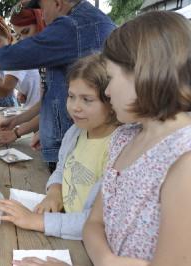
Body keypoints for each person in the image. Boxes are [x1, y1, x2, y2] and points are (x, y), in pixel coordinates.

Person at [80, 11, 191, 266]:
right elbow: (94, 223)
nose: (106, 92)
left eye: (110, 78)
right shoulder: (123, 138)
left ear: (144, 73)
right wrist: (108, 260)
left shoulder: (184, 159)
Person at [0, 0, 115, 172]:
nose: (42, 14)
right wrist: (20, 123)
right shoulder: (86, 24)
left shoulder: (74, 25)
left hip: (74, 146)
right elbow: (51, 99)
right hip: (68, 141)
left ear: (57, 3)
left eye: (41, 7)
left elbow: (20, 56)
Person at [0, 53, 118, 241]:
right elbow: (62, 168)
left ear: (112, 101)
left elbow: (98, 222)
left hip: (83, 241)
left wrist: (37, 221)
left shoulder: (118, 150)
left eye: (87, 99)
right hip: (62, 222)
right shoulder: (75, 132)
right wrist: (55, 191)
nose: (75, 107)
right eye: (71, 96)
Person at [0, 5, 44, 147]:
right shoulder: (41, 58)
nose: (24, 40)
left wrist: (16, 132)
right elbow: (44, 104)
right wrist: (15, 122)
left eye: (26, 31)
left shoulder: (53, 57)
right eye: (20, 35)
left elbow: (5, 90)